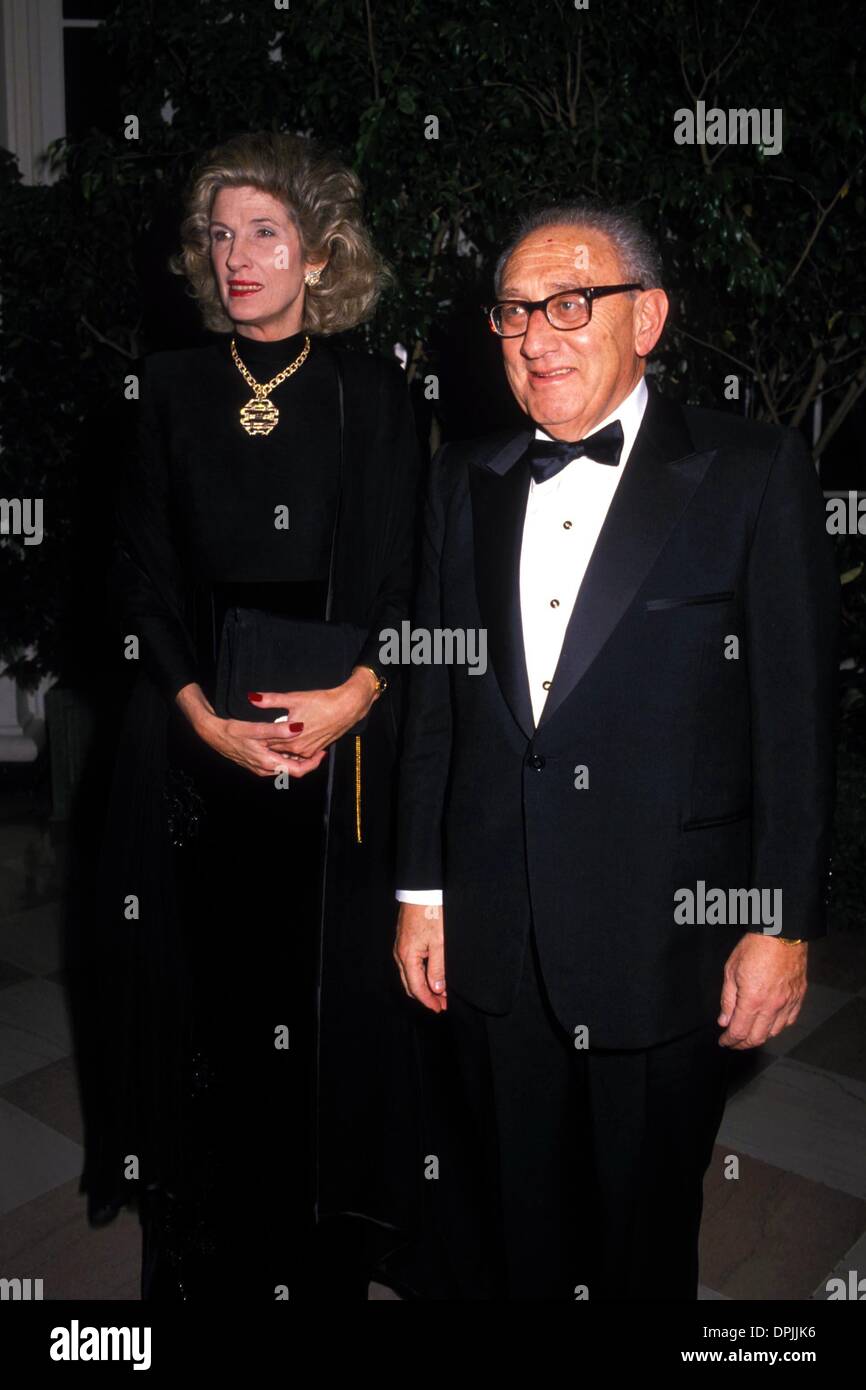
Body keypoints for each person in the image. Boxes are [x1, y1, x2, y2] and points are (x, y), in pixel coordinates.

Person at [394, 203, 839, 1300]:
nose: (534, 337)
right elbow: (437, 701)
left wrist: (777, 923)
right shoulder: (466, 477)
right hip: (495, 938)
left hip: (662, 940)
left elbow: (793, 718)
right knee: (515, 1229)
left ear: (646, 318)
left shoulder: (751, 468)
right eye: (512, 313)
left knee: (640, 1239)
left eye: (568, 305)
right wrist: (420, 890)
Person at [80, 131, 422, 1300]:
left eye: (263, 232)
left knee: (321, 1009)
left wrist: (355, 697)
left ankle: (316, 1257)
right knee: (201, 1012)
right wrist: (196, 715)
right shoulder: (168, 387)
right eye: (218, 235)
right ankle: (207, 1266)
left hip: (335, 759)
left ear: (321, 252)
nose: (235, 256)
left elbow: (408, 585)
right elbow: (138, 574)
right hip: (192, 754)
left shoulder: (374, 394)